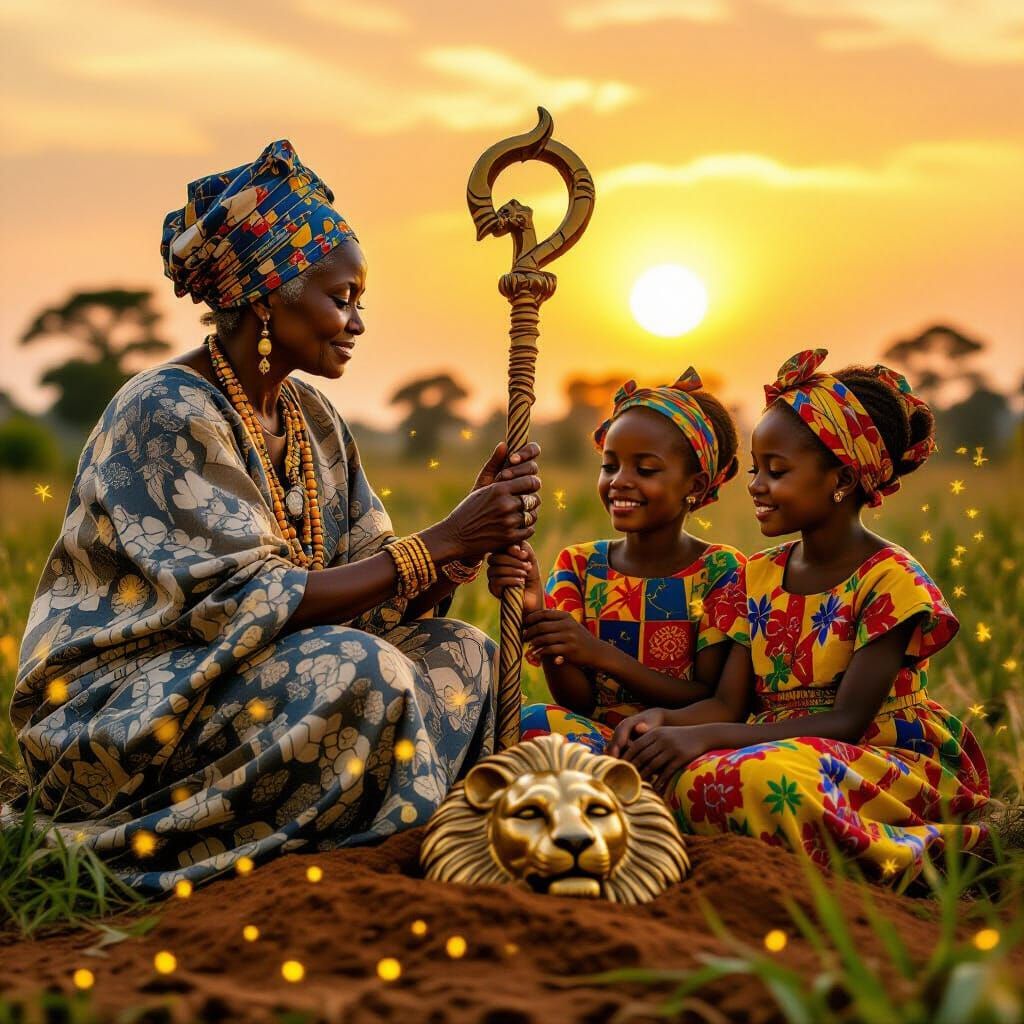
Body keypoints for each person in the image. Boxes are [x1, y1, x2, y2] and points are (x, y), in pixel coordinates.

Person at [5, 139, 542, 894]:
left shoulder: (312, 416)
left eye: (359, 301)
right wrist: (443, 538)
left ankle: (391, 839)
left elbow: (374, 592)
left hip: (249, 682)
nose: (357, 322)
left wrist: (462, 551)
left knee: (465, 652)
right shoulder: (166, 410)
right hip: (130, 708)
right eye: (341, 298)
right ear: (266, 297)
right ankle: (319, 861)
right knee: (364, 670)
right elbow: (249, 602)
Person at [611, 350, 989, 881]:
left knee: (761, 781)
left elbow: (847, 721)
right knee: (689, 776)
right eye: (755, 469)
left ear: (843, 479)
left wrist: (704, 738)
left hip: (876, 756)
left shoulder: (891, 580)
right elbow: (730, 704)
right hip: (775, 747)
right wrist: (663, 723)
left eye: (777, 471)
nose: (756, 485)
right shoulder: (757, 576)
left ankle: (928, 852)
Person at [488, 369, 745, 754]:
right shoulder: (580, 566)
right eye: (610, 466)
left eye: (646, 469)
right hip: (599, 741)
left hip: (679, 744)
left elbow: (710, 699)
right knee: (529, 720)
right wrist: (534, 610)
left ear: (694, 485)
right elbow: (578, 702)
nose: (620, 480)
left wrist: (601, 654)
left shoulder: (721, 570)